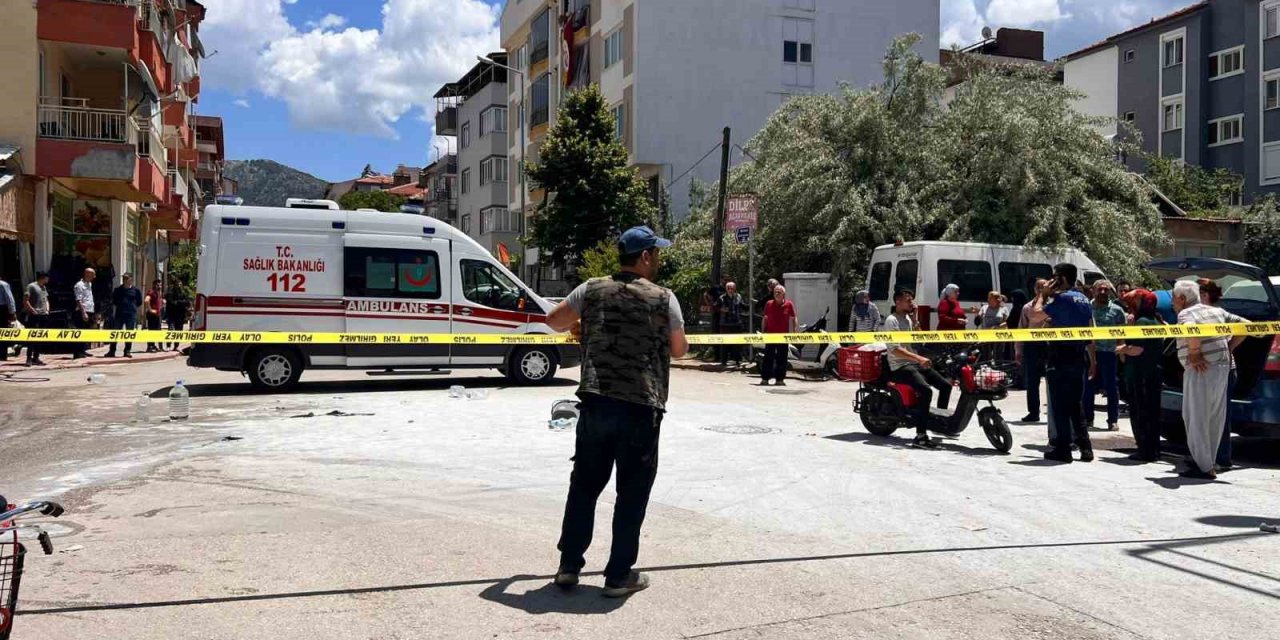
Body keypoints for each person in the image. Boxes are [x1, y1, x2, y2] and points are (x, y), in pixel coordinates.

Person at [545, 225, 689, 598]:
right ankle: (618, 576)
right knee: (631, 493)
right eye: (656, 253)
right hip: (641, 407)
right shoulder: (664, 298)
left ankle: (569, 566)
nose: (658, 259)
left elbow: (554, 321)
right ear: (645, 256)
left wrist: (581, 324)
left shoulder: (591, 289)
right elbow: (679, 349)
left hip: (596, 403)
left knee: (584, 487)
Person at [1171, 280, 1247, 479]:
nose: (1172, 303)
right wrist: (1229, 347)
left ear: (1182, 298)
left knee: (1196, 418)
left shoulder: (1186, 314)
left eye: (1174, 299)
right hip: (1222, 369)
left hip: (1200, 370)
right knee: (1215, 418)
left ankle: (1203, 466)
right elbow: (1246, 326)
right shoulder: (1217, 311)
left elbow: (1191, 330)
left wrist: (1195, 352)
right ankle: (1209, 463)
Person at [1041, 263, 1098, 463]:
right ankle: (1085, 447)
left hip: (1060, 356)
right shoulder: (1084, 298)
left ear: (1062, 278)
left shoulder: (1061, 299)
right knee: (1075, 404)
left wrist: (1044, 294)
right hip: (1078, 355)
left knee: (1060, 405)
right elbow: (1089, 331)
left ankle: (1063, 449)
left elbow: (1037, 314)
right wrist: (1093, 360)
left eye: (1055, 277)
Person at [884, 289, 951, 449]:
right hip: (900, 366)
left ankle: (938, 424)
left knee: (945, 386)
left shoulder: (907, 318)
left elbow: (919, 338)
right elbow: (894, 349)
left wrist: (915, 319)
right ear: (898, 302)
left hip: (912, 363)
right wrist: (919, 358)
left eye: (912, 300)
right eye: (908, 300)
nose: (912, 303)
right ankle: (920, 436)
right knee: (926, 391)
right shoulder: (891, 321)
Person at [1196, 279, 1247, 474]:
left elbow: (1246, 325)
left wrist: (1230, 347)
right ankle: (1208, 456)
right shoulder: (1203, 314)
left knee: (1219, 416)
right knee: (1209, 415)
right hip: (1212, 370)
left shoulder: (1219, 313)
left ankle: (1222, 458)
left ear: (1205, 295)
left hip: (1223, 370)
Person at [1117, 289, 1163, 462]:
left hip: (1140, 373)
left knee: (1140, 413)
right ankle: (1153, 449)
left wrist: (1122, 349)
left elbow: (1137, 349)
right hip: (1154, 372)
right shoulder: (1157, 320)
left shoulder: (1142, 321)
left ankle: (1144, 450)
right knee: (1152, 413)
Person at [1083, 280, 1127, 431]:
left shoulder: (1117, 310)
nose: (1103, 292)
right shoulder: (1086, 308)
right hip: (1089, 353)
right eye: (1099, 289)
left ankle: (1113, 420)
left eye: (1106, 290)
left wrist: (1122, 351)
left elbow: (1121, 333)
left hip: (1109, 354)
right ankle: (1088, 419)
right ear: (1093, 291)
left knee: (1112, 388)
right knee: (1088, 388)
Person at [1016, 279, 1051, 423]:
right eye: (1038, 287)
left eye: (1043, 287)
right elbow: (1021, 329)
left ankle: (1055, 412)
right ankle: (1033, 412)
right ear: (1034, 289)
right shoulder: (1027, 307)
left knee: (1053, 380)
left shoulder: (1055, 305)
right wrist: (1018, 350)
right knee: (1032, 381)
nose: (1040, 289)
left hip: (1051, 345)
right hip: (1032, 346)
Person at [760, 284, 797, 386]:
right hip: (770, 336)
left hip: (783, 337)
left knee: (782, 359)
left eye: (779, 292)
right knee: (768, 358)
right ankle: (765, 379)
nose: (776, 293)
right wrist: (763, 332)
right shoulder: (768, 304)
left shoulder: (789, 304)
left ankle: (780, 380)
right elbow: (765, 318)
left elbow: (794, 318)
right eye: (775, 292)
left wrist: (794, 331)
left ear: (783, 294)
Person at [104, 274, 142, 358]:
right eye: (124, 278)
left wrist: (132, 307)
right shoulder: (118, 290)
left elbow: (139, 302)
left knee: (129, 333)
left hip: (130, 315)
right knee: (115, 333)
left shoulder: (136, 290)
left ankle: (127, 351)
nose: (125, 280)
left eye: (127, 279)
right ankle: (112, 350)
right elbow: (114, 301)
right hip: (119, 314)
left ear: (131, 280)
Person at [714, 281, 746, 366]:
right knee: (724, 344)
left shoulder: (738, 296)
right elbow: (714, 307)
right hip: (725, 324)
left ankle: (738, 361)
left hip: (737, 324)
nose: (730, 290)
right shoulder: (721, 298)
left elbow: (743, 305)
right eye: (728, 288)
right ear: (726, 289)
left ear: (735, 288)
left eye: (732, 288)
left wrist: (751, 305)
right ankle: (723, 361)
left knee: (738, 344)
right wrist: (721, 309)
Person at [22, 272, 51, 366]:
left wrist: (47, 309)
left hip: (43, 314)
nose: (48, 280)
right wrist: (32, 310)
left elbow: (46, 299)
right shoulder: (31, 286)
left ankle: (36, 357)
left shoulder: (43, 287)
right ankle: (28, 358)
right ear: (43, 278)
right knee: (32, 337)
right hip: (34, 315)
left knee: (40, 337)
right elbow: (25, 300)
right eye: (47, 278)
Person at [72, 268, 96, 359]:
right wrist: (83, 313)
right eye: (93, 275)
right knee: (80, 331)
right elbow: (78, 300)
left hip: (90, 310)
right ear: (87, 274)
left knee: (86, 332)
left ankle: (83, 350)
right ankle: (77, 352)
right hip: (82, 311)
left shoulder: (89, 284)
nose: (94, 277)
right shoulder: (79, 285)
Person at [165, 286, 190, 352]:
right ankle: (168, 346)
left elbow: (187, 303)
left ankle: (176, 346)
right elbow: (172, 302)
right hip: (171, 316)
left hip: (180, 316)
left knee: (179, 332)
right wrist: (181, 303)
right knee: (171, 330)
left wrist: (179, 303)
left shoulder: (183, 294)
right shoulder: (170, 294)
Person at [144, 280, 164, 352]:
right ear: (154, 285)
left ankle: (154, 345)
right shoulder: (151, 292)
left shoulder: (158, 293)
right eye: (158, 285)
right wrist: (150, 310)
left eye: (160, 285)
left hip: (157, 315)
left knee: (157, 331)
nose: (159, 286)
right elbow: (146, 300)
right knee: (152, 331)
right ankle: (150, 347)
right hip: (152, 315)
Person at [0, 278, 15, 362]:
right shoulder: (3, 284)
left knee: (3, 332)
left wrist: (12, 311)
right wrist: (12, 312)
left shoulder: (3, 284)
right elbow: (9, 298)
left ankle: (2, 354)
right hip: (2, 308)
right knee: (3, 332)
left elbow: (9, 299)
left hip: (2, 309)